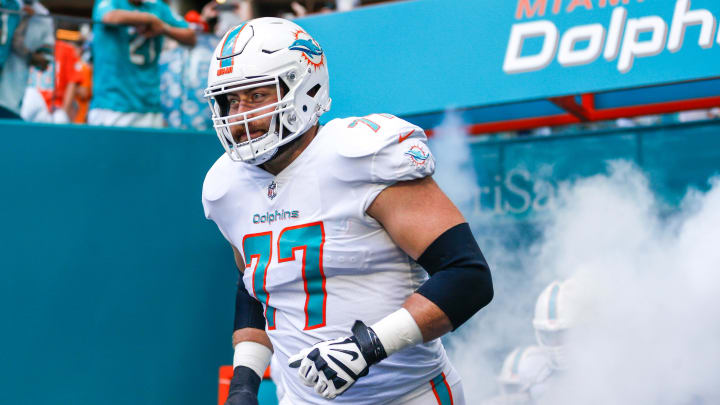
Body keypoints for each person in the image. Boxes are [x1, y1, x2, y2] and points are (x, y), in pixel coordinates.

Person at [201, 18, 494, 405]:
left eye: (256, 95)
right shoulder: (226, 185)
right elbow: (256, 287)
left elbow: (467, 275)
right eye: (230, 100)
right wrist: (245, 382)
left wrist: (368, 346)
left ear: (304, 85)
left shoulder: (361, 156)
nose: (240, 115)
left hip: (406, 396)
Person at [88, 0, 196, 128]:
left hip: (150, 105)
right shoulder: (111, 2)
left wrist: (164, 28)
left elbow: (191, 37)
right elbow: (110, 17)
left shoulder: (157, 7)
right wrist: (149, 19)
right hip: (112, 104)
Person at [0, 0, 53, 116]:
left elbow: (45, 60)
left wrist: (30, 56)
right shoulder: (8, 4)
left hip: (12, 96)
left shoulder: (42, 15)